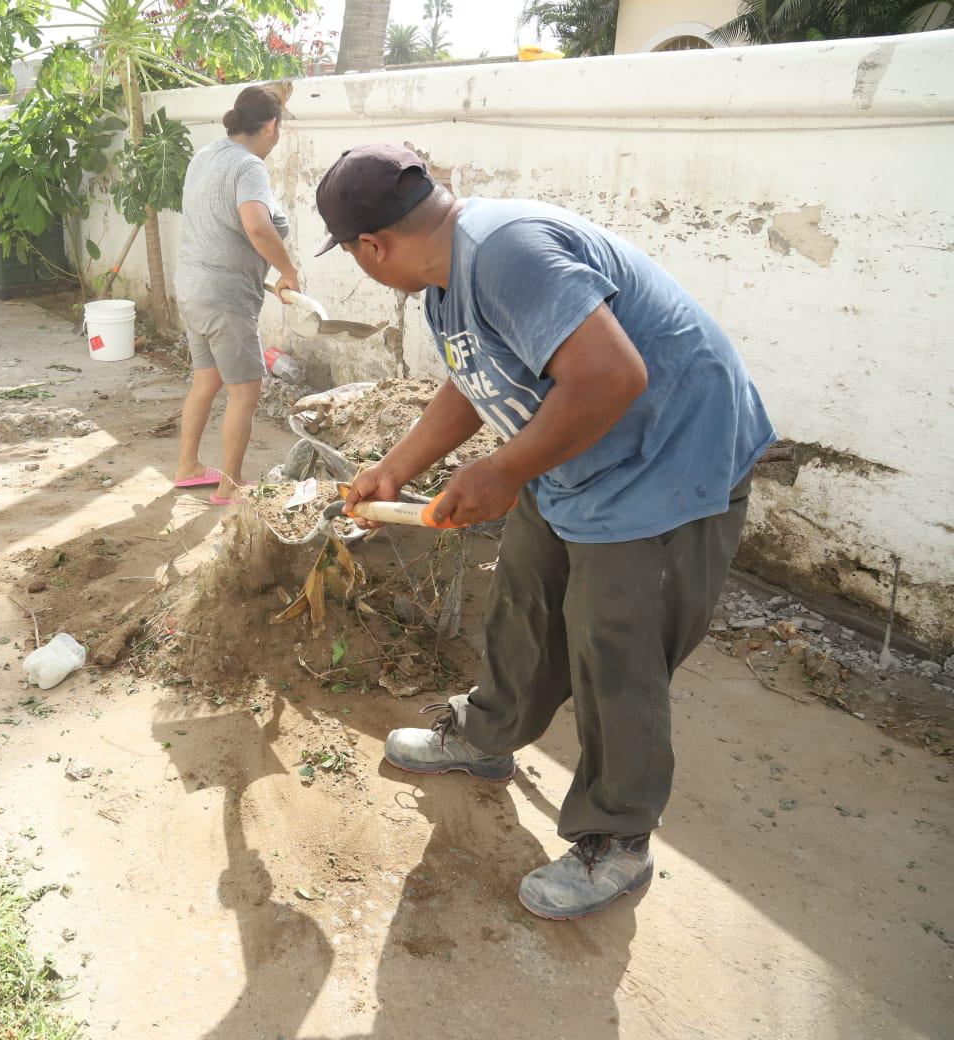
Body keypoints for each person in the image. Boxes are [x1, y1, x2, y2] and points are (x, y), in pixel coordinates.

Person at [323, 144, 775, 920]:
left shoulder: (506, 253)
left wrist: (502, 471)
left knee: (613, 648)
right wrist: (396, 466)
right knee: (527, 597)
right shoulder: (450, 275)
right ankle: (485, 736)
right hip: (578, 453)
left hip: (665, 464)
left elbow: (613, 375)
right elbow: (480, 380)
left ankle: (616, 840)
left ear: (373, 247)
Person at [172, 84, 298, 505]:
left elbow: (216, 224)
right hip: (225, 298)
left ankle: (188, 467)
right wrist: (288, 269)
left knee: (205, 381)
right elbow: (257, 226)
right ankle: (230, 484)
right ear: (271, 126)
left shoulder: (205, 156)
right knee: (244, 392)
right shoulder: (249, 167)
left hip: (192, 290)